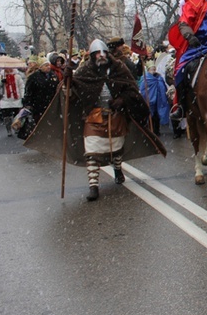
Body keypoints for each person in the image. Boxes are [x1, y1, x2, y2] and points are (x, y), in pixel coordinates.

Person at [62, 39, 160, 201]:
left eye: (103, 52)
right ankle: (93, 186)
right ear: (92, 56)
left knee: (116, 149)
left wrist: (122, 100)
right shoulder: (85, 70)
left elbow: (132, 89)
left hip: (116, 115)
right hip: (94, 116)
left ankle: (117, 168)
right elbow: (71, 93)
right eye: (97, 53)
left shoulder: (118, 68)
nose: (101, 56)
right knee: (92, 152)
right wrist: (68, 80)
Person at [23, 58, 60, 124]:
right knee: (40, 122)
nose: (48, 67)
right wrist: (28, 104)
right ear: (40, 67)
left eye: (49, 65)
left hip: (51, 103)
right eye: (46, 65)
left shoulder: (53, 75)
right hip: (39, 104)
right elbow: (28, 91)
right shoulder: (34, 77)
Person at [139, 65, 170, 136]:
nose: (153, 70)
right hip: (149, 99)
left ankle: (156, 130)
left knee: (157, 115)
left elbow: (163, 87)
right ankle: (151, 130)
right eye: (152, 69)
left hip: (158, 99)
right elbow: (143, 89)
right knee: (151, 115)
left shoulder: (159, 78)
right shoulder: (146, 78)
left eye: (154, 69)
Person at [0, 67, 25, 137]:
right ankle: (8, 129)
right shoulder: (1, 76)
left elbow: (21, 87)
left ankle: (16, 128)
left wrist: (22, 96)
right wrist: (1, 81)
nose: (8, 69)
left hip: (16, 99)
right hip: (5, 100)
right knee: (6, 116)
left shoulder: (17, 76)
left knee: (16, 116)